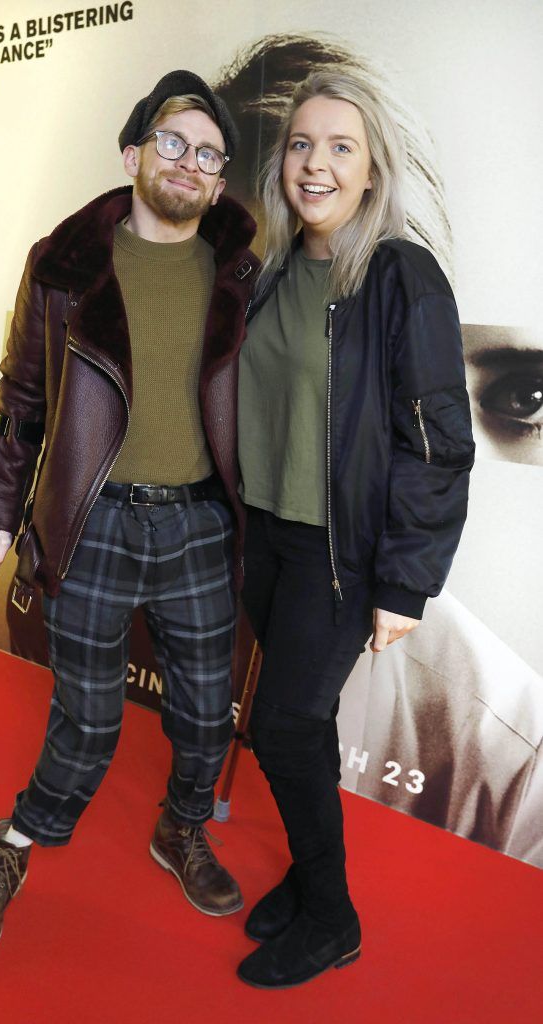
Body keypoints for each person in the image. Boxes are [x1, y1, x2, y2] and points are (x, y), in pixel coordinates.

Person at [0, 69, 259, 967]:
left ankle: (181, 830)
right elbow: (22, 398)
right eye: (172, 142)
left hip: (200, 522)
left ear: (219, 177)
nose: (189, 163)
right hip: (94, 522)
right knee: (87, 722)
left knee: (204, 713)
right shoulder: (64, 265)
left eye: (208, 153)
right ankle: (13, 847)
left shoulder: (240, 271)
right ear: (133, 154)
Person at [234, 67, 474, 988]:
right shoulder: (267, 269)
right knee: (302, 722)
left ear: (371, 170)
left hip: (342, 553)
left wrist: (404, 580)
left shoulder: (398, 275)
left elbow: (437, 442)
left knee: (283, 728)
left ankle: (331, 919)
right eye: (300, 144)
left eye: (340, 146)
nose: (315, 163)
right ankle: (306, 872)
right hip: (266, 537)